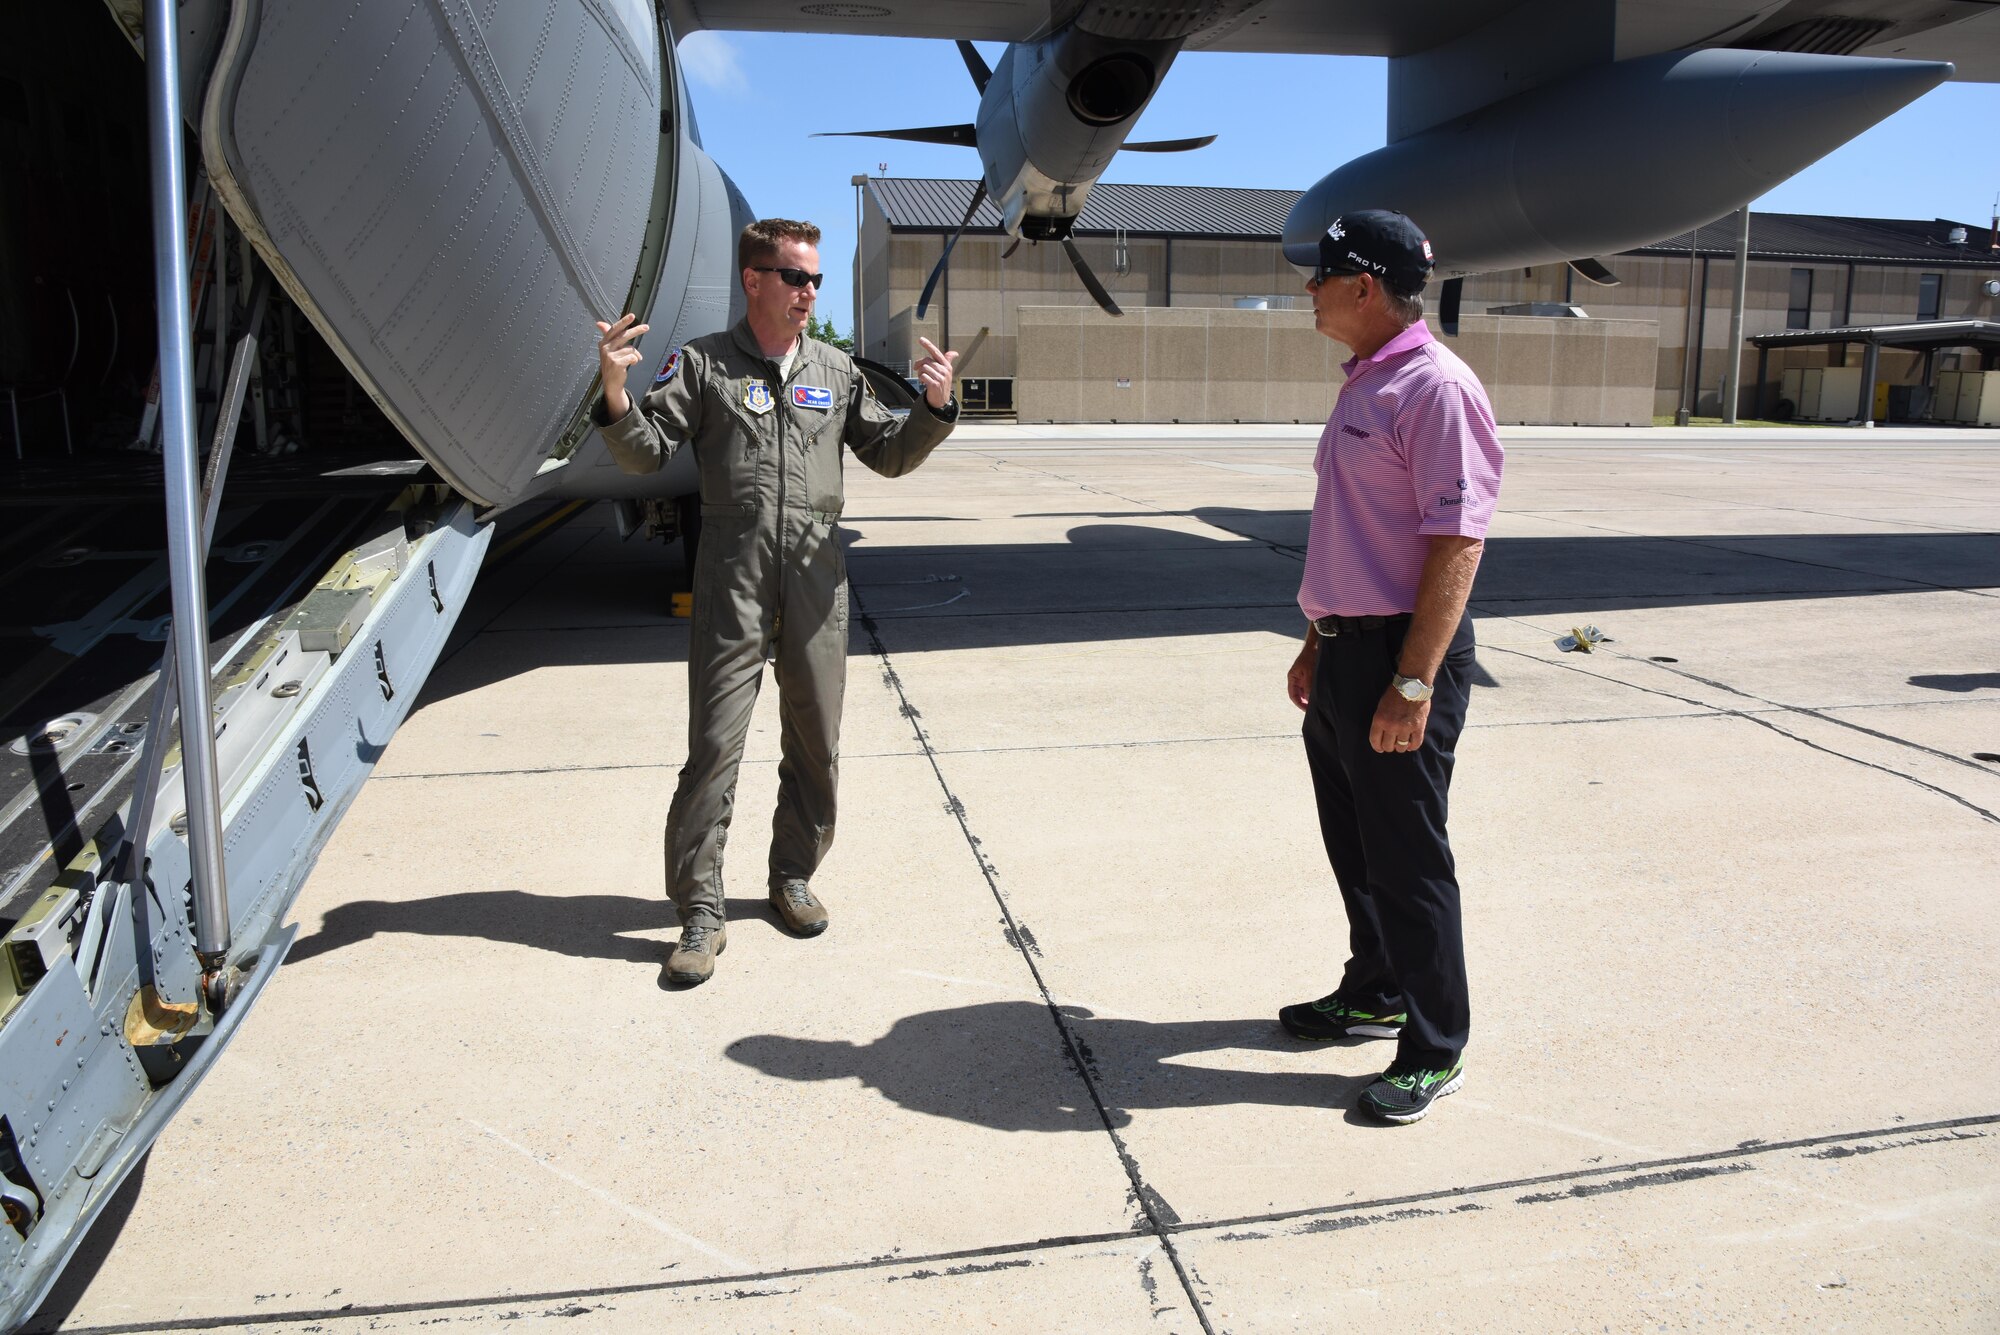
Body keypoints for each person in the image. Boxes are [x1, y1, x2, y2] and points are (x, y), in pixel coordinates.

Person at [593, 218, 959, 985]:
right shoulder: (704, 365)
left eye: (816, 279)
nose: (810, 292)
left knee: (817, 741)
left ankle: (792, 875)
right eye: (796, 277)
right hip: (732, 575)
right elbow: (647, 451)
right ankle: (700, 909)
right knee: (715, 747)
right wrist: (618, 394)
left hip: (818, 577)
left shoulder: (833, 366)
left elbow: (887, 455)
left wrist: (933, 408)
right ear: (754, 280)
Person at [1274, 210, 1503, 1124]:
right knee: (1356, 845)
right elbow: (1356, 534)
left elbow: (1457, 544)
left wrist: (1411, 682)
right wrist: (1315, 639)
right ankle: (1374, 987)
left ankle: (1434, 1042)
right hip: (1343, 653)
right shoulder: (1368, 381)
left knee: (1408, 858)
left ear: (1363, 285)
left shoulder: (1435, 389)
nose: (1309, 290)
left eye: (1321, 275)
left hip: (1403, 658)